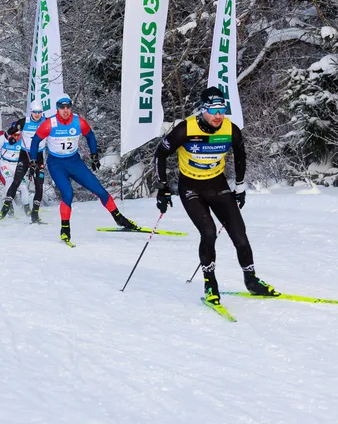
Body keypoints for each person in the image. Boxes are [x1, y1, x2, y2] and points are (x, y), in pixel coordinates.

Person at [153, 87, 276, 306]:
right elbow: (161, 153)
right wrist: (162, 187)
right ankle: (210, 284)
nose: (218, 115)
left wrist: (240, 186)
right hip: (191, 187)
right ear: (202, 110)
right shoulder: (185, 129)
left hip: (217, 184)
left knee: (239, 234)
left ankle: (251, 280)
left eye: (222, 109)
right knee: (208, 233)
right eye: (213, 110)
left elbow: (240, 155)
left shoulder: (231, 129)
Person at [29, 95, 136, 247]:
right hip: (56, 164)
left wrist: (94, 155)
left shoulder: (78, 121)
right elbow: (35, 140)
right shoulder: (49, 124)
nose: (65, 111)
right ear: (57, 108)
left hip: (74, 162)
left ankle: (119, 218)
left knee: (99, 189)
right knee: (68, 193)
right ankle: (65, 229)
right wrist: (33, 160)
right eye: (62, 108)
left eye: (68, 107)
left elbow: (90, 136)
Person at [6, 100, 49, 223]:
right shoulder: (24, 122)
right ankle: (6, 207)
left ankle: (35, 214)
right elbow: (8, 132)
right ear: (31, 112)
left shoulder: (46, 122)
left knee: (39, 185)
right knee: (17, 180)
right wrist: (11, 139)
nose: (37, 114)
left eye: (39, 112)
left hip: (39, 155)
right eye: (35, 112)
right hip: (25, 155)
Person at [0, 124, 30, 222]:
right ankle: (9, 206)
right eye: (14, 135)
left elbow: (29, 153)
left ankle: (27, 208)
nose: (17, 137)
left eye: (19, 135)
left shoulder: (24, 139)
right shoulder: (3, 138)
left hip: (17, 164)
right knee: (9, 181)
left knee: (23, 187)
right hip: (5, 163)